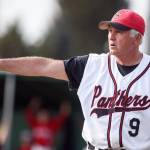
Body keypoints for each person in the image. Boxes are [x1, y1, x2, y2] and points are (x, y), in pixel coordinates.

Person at [0, 9, 150, 150]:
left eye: (119, 32)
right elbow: (43, 66)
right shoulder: (90, 66)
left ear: (137, 38)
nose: (111, 36)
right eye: (110, 31)